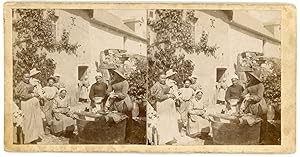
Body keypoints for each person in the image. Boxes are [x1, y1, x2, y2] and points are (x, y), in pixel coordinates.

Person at [150, 73, 180, 145]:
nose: (163, 79)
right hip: (162, 105)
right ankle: (164, 138)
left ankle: (169, 138)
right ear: (158, 78)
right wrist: (169, 95)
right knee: (164, 121)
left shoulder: (165, 84)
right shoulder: (157, 85)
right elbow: (159, 97)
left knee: (169, 121)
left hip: (167, 106)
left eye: (164, 78)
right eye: (162, 78)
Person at [15, 73, 44, 144]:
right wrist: (33, 95)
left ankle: (33, 137)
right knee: (27, 120)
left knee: (33, 121)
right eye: (26, 77)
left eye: (28, 77)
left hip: (31, 105)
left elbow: (32, 90)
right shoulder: (21, 84)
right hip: (25, 104)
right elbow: (23, 95)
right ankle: (27, 138)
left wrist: (36, 94)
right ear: (23, 77)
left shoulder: (30, 84)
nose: (27, 78)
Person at [106, 67, 133, 142]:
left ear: (120, 75)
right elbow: (108, 91)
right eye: (115, 74)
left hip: (124, 102)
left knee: (126, 118)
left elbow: (124, 95)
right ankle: (116, 135)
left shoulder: (125, 83)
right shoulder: (113, 82)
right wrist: (110, 94)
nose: (114, 75)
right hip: (115, 102)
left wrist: (116, 95)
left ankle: (127, 137)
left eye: (116, 74)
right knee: (114, 118)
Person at [241, 70, 268, 144]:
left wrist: (250, 97)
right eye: (250, 76)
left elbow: (259, 97)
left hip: (259, 106)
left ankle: (262, 139)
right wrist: (244, 96)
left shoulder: (260, 85)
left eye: (252, 76)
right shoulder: (249, 85)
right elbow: (243, 93)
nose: (250, 77)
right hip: (250, 106)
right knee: (250, 120)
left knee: (261, 122)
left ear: (255, 77)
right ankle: (252, 137)